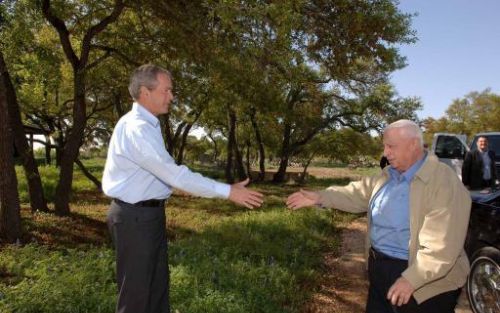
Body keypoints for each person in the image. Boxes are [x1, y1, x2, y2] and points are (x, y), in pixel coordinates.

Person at [102, 64, 264, 313]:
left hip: (147, 216)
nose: (172, 96)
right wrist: (228, 192)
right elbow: (174, 175)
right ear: (146, 92)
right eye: (167, 90)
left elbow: (163, 177)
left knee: (156, 291)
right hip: (134, 218)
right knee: (136, 298)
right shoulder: (137, 129)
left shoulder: (148, 126)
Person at [286, 120, 470, 313]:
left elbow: (441, 245)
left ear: (413, 144)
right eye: (384, 146)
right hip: (380, 271)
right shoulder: (386, 176)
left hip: (426, 283)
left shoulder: (443, 181)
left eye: (391, 146)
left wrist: (411, 279)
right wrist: (320, 197)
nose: (385, 153)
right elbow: (355, 194)